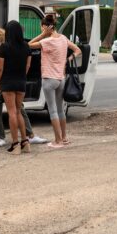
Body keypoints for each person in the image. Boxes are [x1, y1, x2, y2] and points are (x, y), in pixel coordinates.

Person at [0, 28, 48, 148]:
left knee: (18, 111)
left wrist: (0, 78)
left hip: (6, 84)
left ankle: (27, 136)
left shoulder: (8, 48)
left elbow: (4, 68)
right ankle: (2, 137)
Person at [29, 14, 82, 148]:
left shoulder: (47, 41)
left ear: (47, 27)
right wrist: (68, 59)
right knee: (60, 110)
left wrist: (43, 35)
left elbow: (29, 45)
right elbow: (78, 50)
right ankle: (64, 138)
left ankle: (57, 141)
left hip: (49, 79)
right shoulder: (63, 39)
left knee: (52, 111)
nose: (41, 30)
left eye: (42, 27)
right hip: (61, 79)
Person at [0, 20, 32, 154]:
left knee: (11, 112)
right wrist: (22, 76)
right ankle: (25, 142)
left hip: (8, 81)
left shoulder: (4, 47)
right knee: (18, 111)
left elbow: (0, 68)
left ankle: (15, 144)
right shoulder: (26, 46)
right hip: (21, 81)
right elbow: (28, 66)